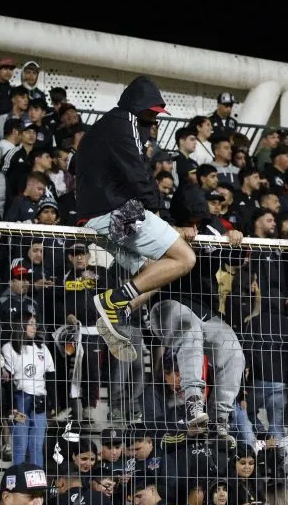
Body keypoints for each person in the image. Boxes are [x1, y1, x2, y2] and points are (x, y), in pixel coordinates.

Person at [75, 75, 197, 360]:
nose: (154, 122)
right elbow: (138, 175)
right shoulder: (124, 122)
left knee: (156, 270)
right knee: (185, 258)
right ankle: (113, 302)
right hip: (116, 212)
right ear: (138, 105)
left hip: (94, 216)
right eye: (152, 114)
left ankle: (119, 311)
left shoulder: (107, 126)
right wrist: (160, 217)